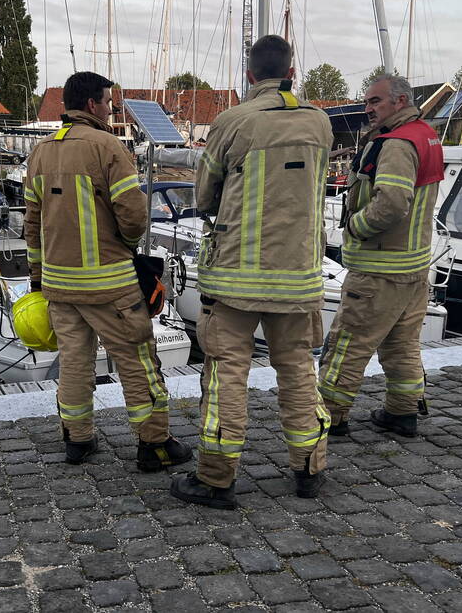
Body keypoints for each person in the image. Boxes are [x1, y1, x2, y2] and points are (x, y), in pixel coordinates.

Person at [170, 35, 334, 510]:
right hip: (299, 275)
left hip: (236, 279)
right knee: (298, 371)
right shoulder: (320, 123)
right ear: (292, 72)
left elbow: (205, 194)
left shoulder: (233, 121)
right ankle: (309, 468)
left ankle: (216, 478)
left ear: (249, 75)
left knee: (226, 374)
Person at [23, 71, 192, 471]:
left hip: (59, 286)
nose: (111, 109)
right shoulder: (108, 147)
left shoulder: (40, 152)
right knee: (137, 360)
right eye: (109, 102)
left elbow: (32, 223)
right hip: (110, 285)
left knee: (74, 362)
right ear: (92, 104)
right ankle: (155, 445)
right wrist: (126, 246)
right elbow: (134, 215)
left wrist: (37, 277)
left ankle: (77, 439)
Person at [317, 73, 444, 438]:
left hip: (378, 269)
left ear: (400, 101)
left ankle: (330, 416)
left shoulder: (397, 144)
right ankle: (403, 411)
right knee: (402, 344)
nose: (368, 109)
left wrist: (355, 227)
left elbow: (391, 202)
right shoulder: (425, 136)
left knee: (347, 345)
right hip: (413, 267)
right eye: (367, 102)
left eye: (375, 101)